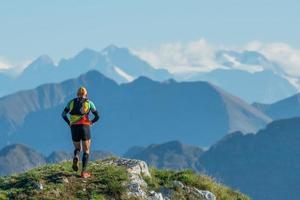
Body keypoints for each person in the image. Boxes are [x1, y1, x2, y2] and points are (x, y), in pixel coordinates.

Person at [61, 87, 99, 178]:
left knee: (77, 148)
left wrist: (69, 123)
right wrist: (91, 122)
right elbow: (97, 116)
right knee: (86, 150)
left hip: (74, 127)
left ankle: (76, 156)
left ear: (77, 94)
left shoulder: (71, 102)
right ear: (86, 94)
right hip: (85, 127)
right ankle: (83, 172)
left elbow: (63, 114)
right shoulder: (89, 103)